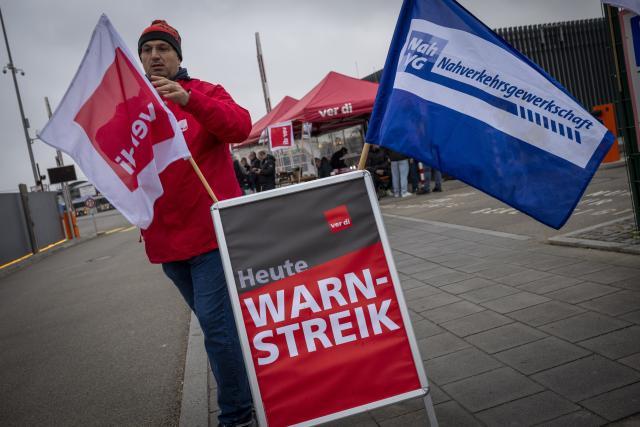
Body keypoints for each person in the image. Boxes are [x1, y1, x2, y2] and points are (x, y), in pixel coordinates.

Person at [137, 20, 254, 427]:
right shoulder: (132, 108)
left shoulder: (204, 92)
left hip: (212, 237)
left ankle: (238, 416)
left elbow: (241, 126)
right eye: (148, 49)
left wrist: (188, 99)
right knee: (222, 328)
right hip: (167, 247)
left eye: (163, 49)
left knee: (216, 328)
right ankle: (255, 388)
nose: (155, 55)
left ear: (178, 56)